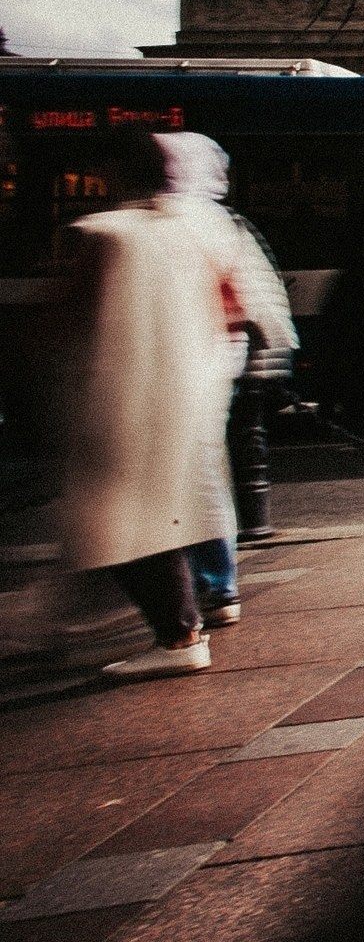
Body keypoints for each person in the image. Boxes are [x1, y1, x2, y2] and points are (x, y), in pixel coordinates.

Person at [50, 128, 241, 681]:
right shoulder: (201, 230)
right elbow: (231, 309)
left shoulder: (105, 233)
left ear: (118, 175)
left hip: (120, 399)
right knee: (146, 518)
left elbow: (66, 321)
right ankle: (172, 626)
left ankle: (178, 635)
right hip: (186, 399)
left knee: (118, 519)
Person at [154, 131, 296, 626]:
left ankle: (212, 586)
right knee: (206, 472)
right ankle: (215, 585)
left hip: (207, 367)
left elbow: (235, 303)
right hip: (223, 364)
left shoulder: (187, 222)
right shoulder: (217, 220)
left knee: (195, 474)